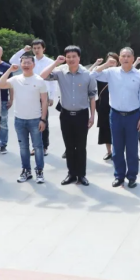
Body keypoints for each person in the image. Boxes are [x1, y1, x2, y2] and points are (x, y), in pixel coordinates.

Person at [40, 46, 97, 187]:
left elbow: (92, 96)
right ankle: (71, 174)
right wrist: (55, 63)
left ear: (79, 58)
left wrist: (92, 116)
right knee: (69, 146)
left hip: (82, 115)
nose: (71, 59)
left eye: (74, 56)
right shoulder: (60, 72)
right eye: (68, 57)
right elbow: (42, 76)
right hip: (66, 115)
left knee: (81, 147)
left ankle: (81, 175)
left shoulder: (88, 75)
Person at [92, 48, 140, 189]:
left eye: (128, 56)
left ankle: (132, 177)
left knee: (132, 149)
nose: (126, 58)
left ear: (133, 58)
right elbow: (92, 75)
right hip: (116, 115)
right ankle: (119, 176)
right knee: (117, 148)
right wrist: (106, 64)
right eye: (123, 56)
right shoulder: (111, 72)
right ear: (119, 58)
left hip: (133, 116)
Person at [0, 55, 48, 184]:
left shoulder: (39, 80)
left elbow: (44, 101)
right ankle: (26, 171)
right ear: (20, 65)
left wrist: (43, 119)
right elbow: (0, 84)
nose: (26, 65)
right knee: (23, 147)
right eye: (24, 63)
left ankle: (39, 171)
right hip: (19, 120)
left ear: (33, 65)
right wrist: (10, 70)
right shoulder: (15, 79)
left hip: (35, 119)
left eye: (28, 63)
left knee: (38, 147)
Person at [10, 40, 57, 156]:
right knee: (31, 121)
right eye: (34, 48)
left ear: (43, 48)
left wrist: (51, 96)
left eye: (38, 48)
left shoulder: (49, 62)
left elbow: (53, 81)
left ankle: (44, 146)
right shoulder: (29, 61)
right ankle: (35, 146)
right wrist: (23, 50)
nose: (36, 50)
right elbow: (12, 61)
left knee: (43, 120)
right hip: (29, 95)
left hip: (43, 95)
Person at [93, 52, 119, 161]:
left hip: (117, 106)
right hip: (103, 105)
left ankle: (118, 151)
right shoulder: (101, 74)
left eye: (113, 61)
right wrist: (102, 65)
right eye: (109, 61)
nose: (111, 63)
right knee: (105, 129)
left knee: (117, 129)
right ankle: (109, 152)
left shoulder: (120, 73)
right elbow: (90, 75)